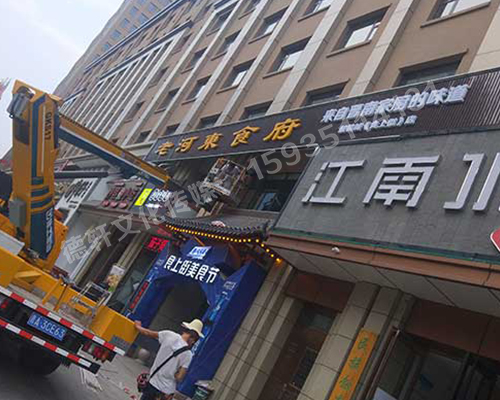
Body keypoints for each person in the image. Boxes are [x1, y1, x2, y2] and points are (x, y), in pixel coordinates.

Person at [135, 319, 204, 400]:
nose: (193, 343)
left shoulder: (169, 335)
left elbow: (147, 333)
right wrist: (174, 372)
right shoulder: (188, 355)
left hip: (153, 383)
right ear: (193, 339)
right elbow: (179, 377)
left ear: (185, 330)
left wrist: (137, 326)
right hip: (166, 392)